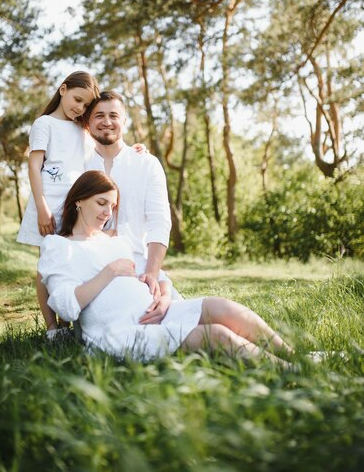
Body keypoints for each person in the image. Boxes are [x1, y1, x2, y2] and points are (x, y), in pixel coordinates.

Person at [38, 171, 293, 366]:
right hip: (120, 333)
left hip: (158, 315)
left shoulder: (115, 241)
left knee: (223, 307)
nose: (107, 212)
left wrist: (163, 295)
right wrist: (110, 272)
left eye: (112, 206)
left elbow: (157, 274)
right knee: (216, 335)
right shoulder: (60, 246)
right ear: (79, 201)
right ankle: (288, 370)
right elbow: (65, 307)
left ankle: (296, 356)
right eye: (101, 203)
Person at [17, 74, 148, 338]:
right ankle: (53, 328)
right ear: (62, 89)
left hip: (74, 204)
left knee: (72, 263)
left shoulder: (81, 129)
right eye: (77, 99)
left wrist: (133, 147)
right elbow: (34, 166)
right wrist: (42, 207)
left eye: (85, 105)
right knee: (47, 267)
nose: (79, 108)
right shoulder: (44, 124)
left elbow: (106, 140)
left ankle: (71, 320)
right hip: (47, 203)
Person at [84, 90, 177, 325]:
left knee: (185, 318)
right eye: (99, 115)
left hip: (142, 268)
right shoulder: (78, 165)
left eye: (114, 115)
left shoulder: (145, 162)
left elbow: (159, 221)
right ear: (87, 122)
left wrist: (153, 274)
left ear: (124, 121)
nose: (107, 122)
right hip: (93, 272)